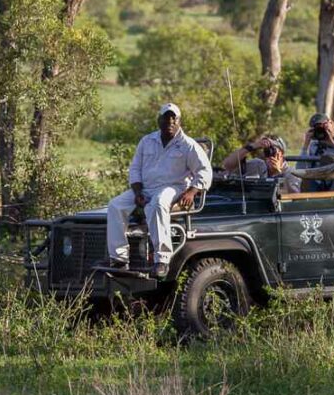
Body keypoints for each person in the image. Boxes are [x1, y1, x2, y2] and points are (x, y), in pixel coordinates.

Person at [106, 102, 212, 277]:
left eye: (174, 118)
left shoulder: (188, 145)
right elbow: (135, 169)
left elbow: (204, 171)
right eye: (166, 117)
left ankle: (162, 260)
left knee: (158, 203)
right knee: (115, 205)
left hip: (173, 187)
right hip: (145, 188)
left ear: (179, 121)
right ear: (159, 120)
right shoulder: (147, 141)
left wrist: (192, 191)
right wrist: (138, 192)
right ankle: (119, 260)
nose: (170, 121)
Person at [221, 133, 301, 193]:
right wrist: (252, 146)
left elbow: (292, 200)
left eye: (273, 151)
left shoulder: (291, 173)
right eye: (267, 152)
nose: (270, 156)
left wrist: (278, 176)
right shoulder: (257, 165)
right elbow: (227, 165)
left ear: (281, 154)